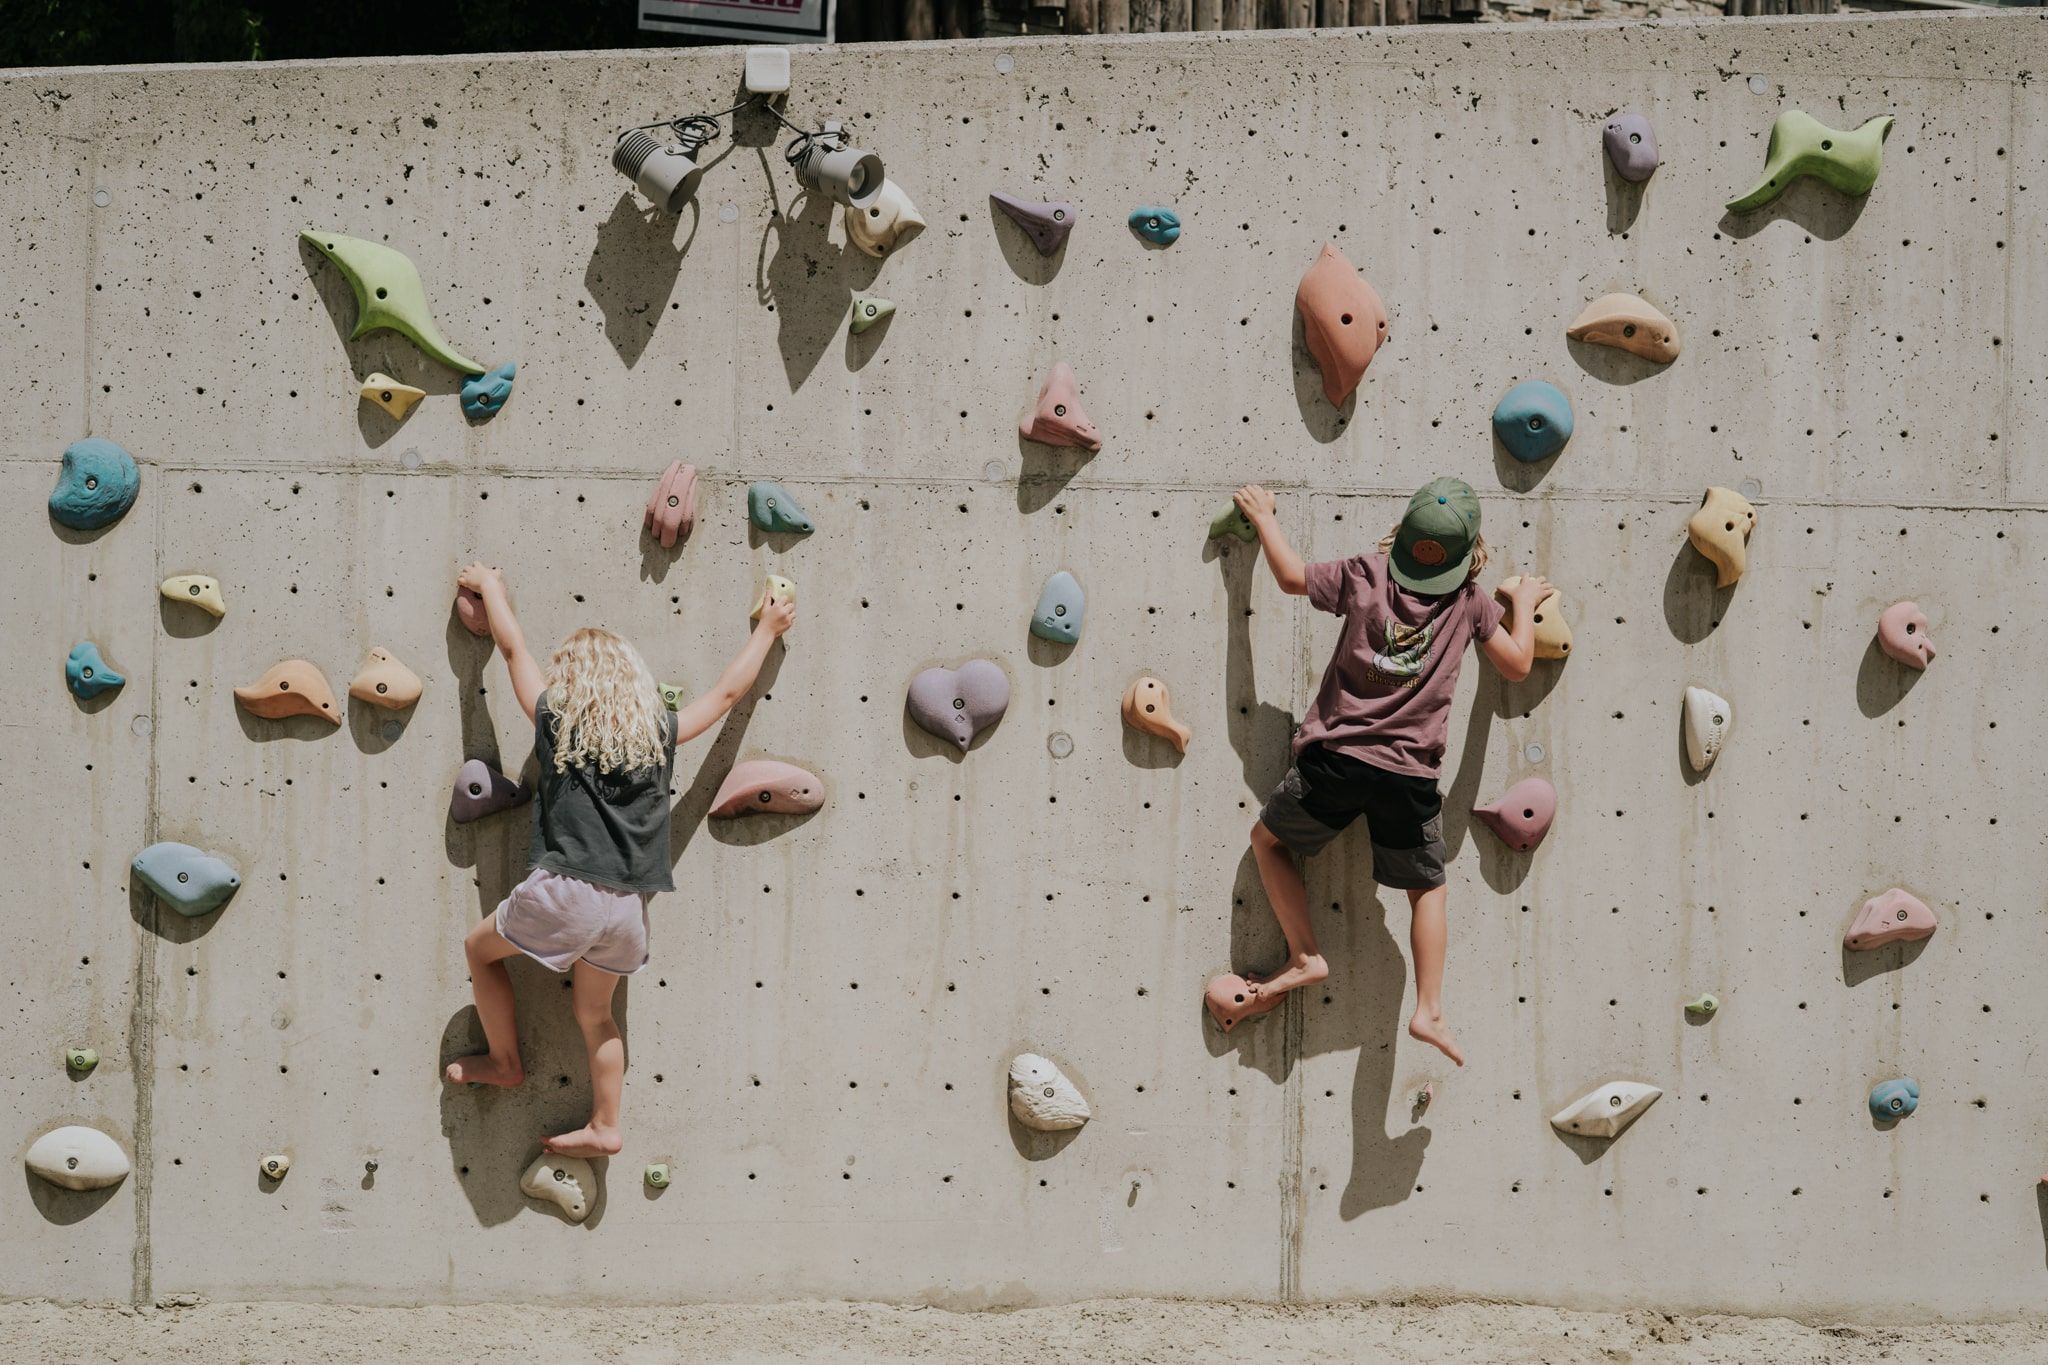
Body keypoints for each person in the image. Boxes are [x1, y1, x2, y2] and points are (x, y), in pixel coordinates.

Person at [444, 562, 796, 1155]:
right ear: (633, 682)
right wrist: (767, 629)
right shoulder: (659, 731)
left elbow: (512, 649)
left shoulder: (557, 722)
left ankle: (504, 1061)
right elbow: (729, 694)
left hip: (566, 892)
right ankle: (606, 1125)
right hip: (627, 911)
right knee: (596, 1017)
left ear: (571, 682)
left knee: (480, 951)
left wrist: (494, 589)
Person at [1208, 478, 1549, 1066]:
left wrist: (1265, 518)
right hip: (1410, 776)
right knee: (1427, 889)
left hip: (1337, 761)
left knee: (1268, 842)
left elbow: (1292, 578)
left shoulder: (1369, 572)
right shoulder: (1469, 601)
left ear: (1405, 536)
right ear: (1470, 553)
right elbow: (1518, 666)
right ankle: (1430, 1008)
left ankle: (1306, 954)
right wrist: (1519, 604)